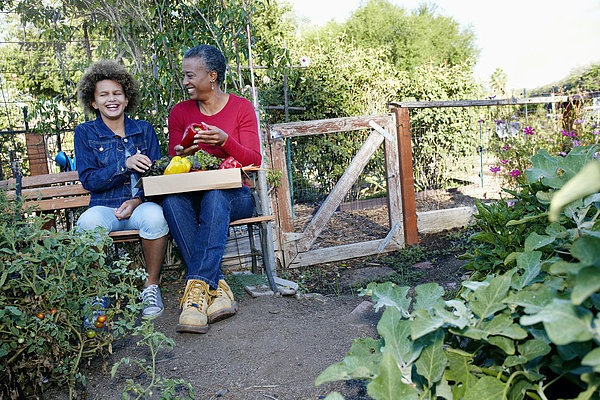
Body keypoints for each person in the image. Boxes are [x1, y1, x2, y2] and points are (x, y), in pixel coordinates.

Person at [162, 44, 261, 334]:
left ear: (212, 76)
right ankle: (216, 290)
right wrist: (184, 151)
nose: (185, 82)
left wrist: (224, 141)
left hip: (236, 195)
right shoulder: (180, 113)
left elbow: (254, 160)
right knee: (171, 200)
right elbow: (174, 162)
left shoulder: (241, 108)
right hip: (194, 194)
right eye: (184, 76)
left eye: (190, 75)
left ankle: (194, 299)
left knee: (216, 195)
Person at [74, 60, 169, 319]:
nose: (111, 99)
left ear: (127, 99)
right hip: (104, 208)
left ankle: (150, 287)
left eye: (117, 93)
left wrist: (137, 201)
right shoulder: (84, 133)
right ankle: (97, 293)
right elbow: (89, 180)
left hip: (139, 206)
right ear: (93, 102)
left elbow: (157, 177)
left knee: (155, 216)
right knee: (88, 223)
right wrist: (124, 165)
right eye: (103, 94)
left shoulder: (144, 130)